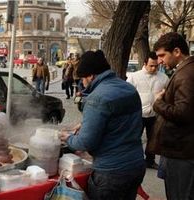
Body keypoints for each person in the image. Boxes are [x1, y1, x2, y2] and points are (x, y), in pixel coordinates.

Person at [59, 50, 145, 200]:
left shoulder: (97, 98)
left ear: (91, 75)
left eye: (83, 79)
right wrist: (86, 124)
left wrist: (68, 138)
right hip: (136, 165)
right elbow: (121, 121)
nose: (82, 83)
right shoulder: (129, 89)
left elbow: (85, 142)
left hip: (111, 172)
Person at [147, 32, 194, 200]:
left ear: (176, 51)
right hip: (180, 150)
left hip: (182, 151)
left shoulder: (186, 74)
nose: (159, 60)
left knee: (180, 195)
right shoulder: (184, 70)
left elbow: (183, 113)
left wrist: (159, 103)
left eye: (162, 55)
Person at [127, 51, 169, 169]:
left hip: (154, 115)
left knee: (153, 138)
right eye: (151, 65)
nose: (154, 68)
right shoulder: (134, 77)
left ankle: (150, 160)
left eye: (156, 65)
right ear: (145, 63)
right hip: (138, 114)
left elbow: (168, 93)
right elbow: (127, 93)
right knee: (135, 138)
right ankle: (134, 160)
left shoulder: (163, 78)